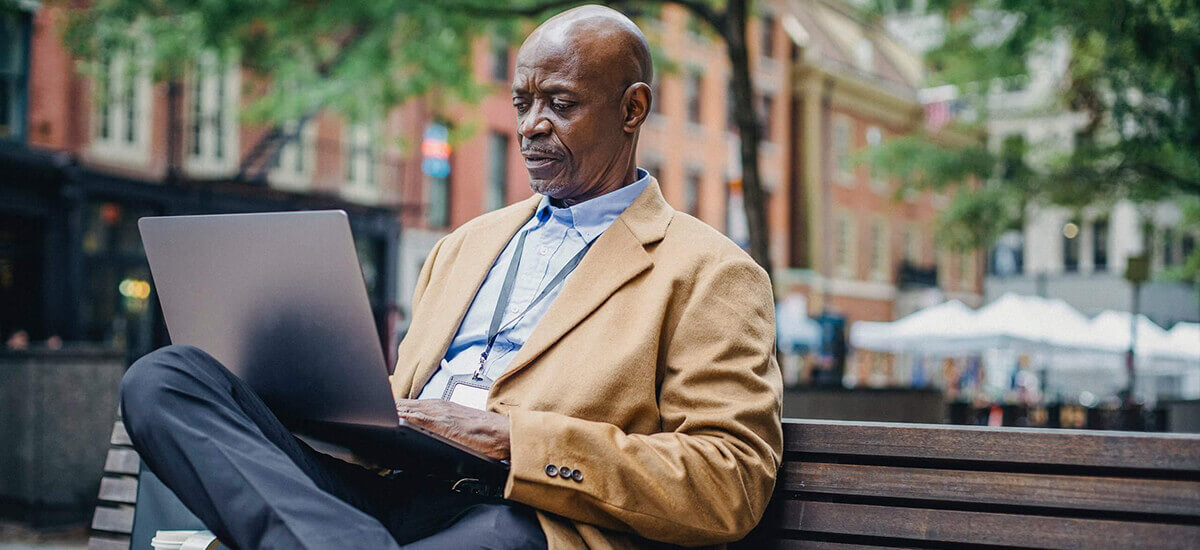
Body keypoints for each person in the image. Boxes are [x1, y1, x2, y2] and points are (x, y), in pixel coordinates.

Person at [120, 5, 781, 549]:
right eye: (522, 101)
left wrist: (512, 440)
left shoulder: (710, 271)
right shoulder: (463, 247)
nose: (530, 127)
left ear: (631, 110)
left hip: (525, 517)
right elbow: (402, 400)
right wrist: (330, 396)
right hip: (382, 498)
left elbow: (730, 481)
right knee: (166, 377)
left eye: (560, 102)